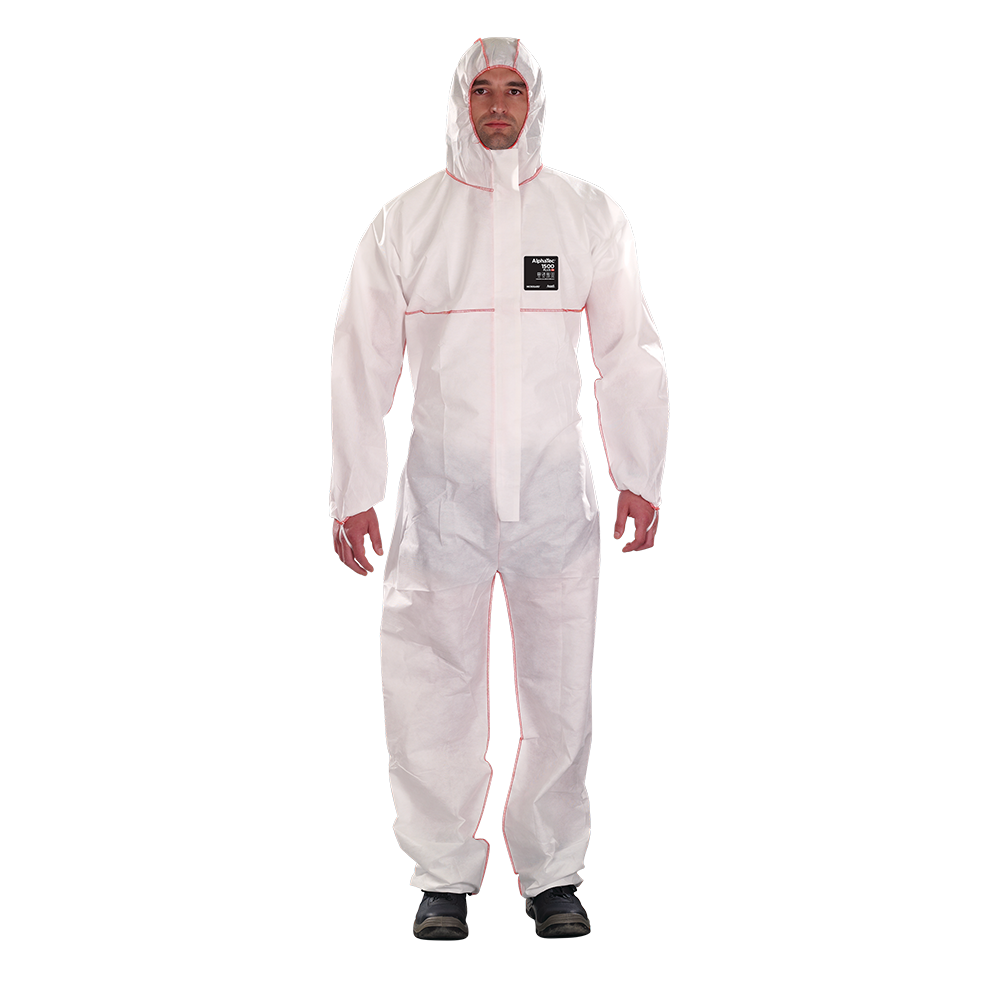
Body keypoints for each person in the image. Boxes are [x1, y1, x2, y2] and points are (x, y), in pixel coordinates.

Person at [330, 36, 669, 941]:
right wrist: (354, 486)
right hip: (444, 493)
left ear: (535, 101)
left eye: (513, 89)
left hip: (555, 490)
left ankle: (551, 876)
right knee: (430, 685)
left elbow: (628, 350)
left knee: (559, 689)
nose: (497, 105)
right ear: (457, 101)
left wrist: (639, 472)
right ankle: (443, 876)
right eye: (480, 88)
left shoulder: (586, 214)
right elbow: (361, 361)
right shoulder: (408, 223)